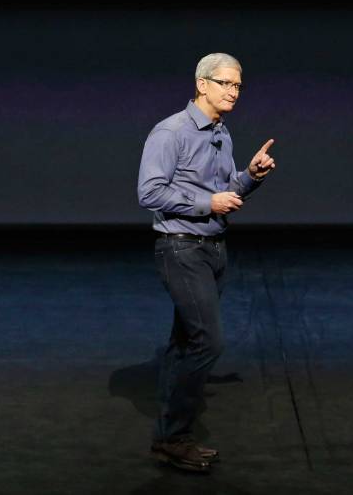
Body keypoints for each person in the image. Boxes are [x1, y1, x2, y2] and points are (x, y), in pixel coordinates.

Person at [137, 52, 277, 472]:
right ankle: (175, 434)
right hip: (180, 249)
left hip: (214, 248)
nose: (233, 92)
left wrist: (250, 175)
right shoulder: (170, 132)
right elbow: (149, 193)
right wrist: (206, 202)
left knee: (184, 343)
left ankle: (169, 438)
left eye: (238, 86)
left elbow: (225, 192)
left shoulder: (222, 132)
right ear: (202, 84)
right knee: (207, 342)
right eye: (225, 84)